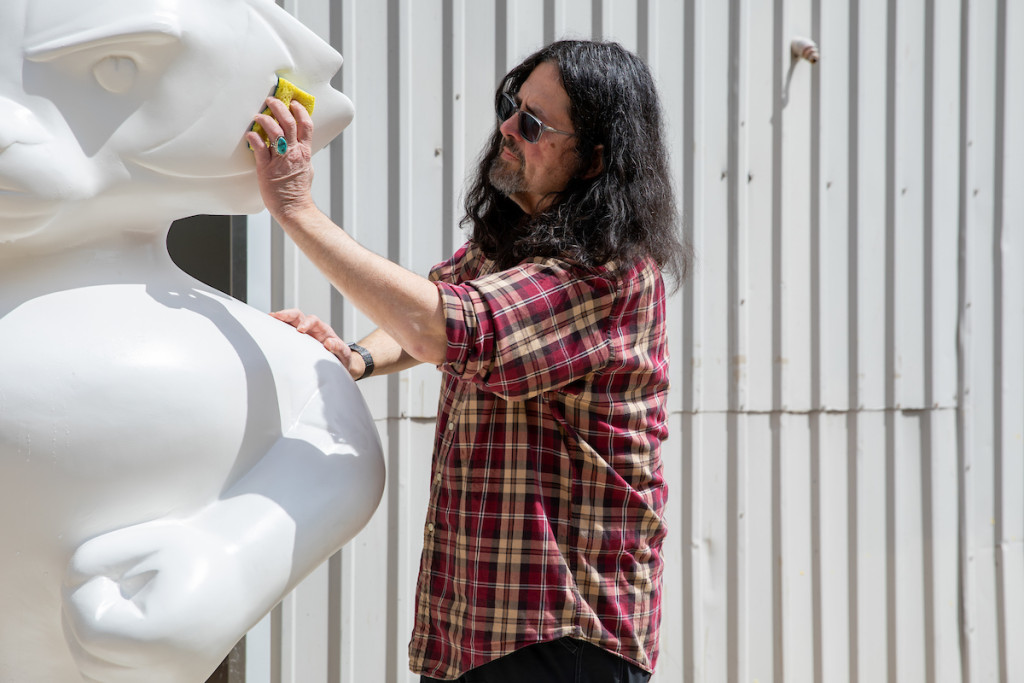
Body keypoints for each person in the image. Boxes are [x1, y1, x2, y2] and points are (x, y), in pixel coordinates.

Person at [247, 39, 691, 683]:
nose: (507, 128)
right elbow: (432, 311)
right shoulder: (512, 244)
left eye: (534, 124)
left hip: (561, 636)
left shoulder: (604, 274)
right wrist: (358, 357)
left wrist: (296, 210)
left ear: (595, 160)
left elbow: (447, 327)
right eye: (512, 106)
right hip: (483, 626)